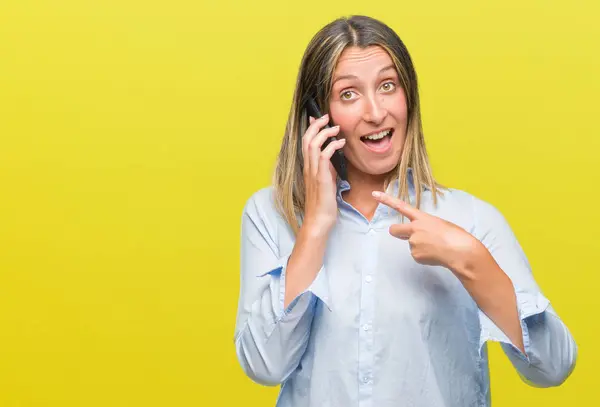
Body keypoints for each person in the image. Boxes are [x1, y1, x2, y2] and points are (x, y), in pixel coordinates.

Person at [233, 15, 577, 407]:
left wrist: (471, 261)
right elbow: (264, 365)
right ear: (317, 116)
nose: (376, 112)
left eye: (387, 86)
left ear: (408, 96)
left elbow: (553, 368)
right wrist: (315, 228)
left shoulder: (472, 219)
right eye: (348, 94)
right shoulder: (270, 214)